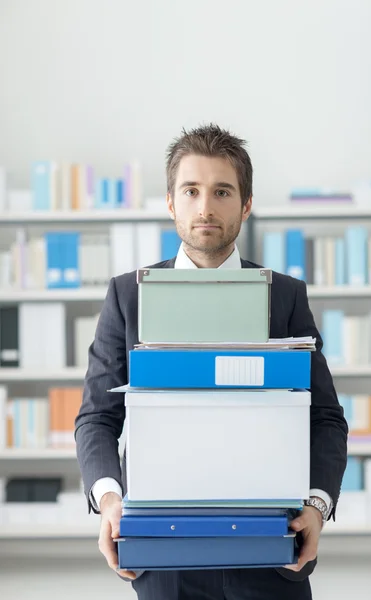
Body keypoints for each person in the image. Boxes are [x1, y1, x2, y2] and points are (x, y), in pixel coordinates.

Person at [75, 123, 348, 600]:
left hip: (273, 548)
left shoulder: (283, 296)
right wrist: (110, 500)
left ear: (245, 205)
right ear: (170, 202)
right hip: (162, 552)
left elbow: (325, 416)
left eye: (222, 191)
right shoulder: (128, 296)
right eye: (191, 190)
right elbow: (97, 416)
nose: (205, 207)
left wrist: (316, 505)